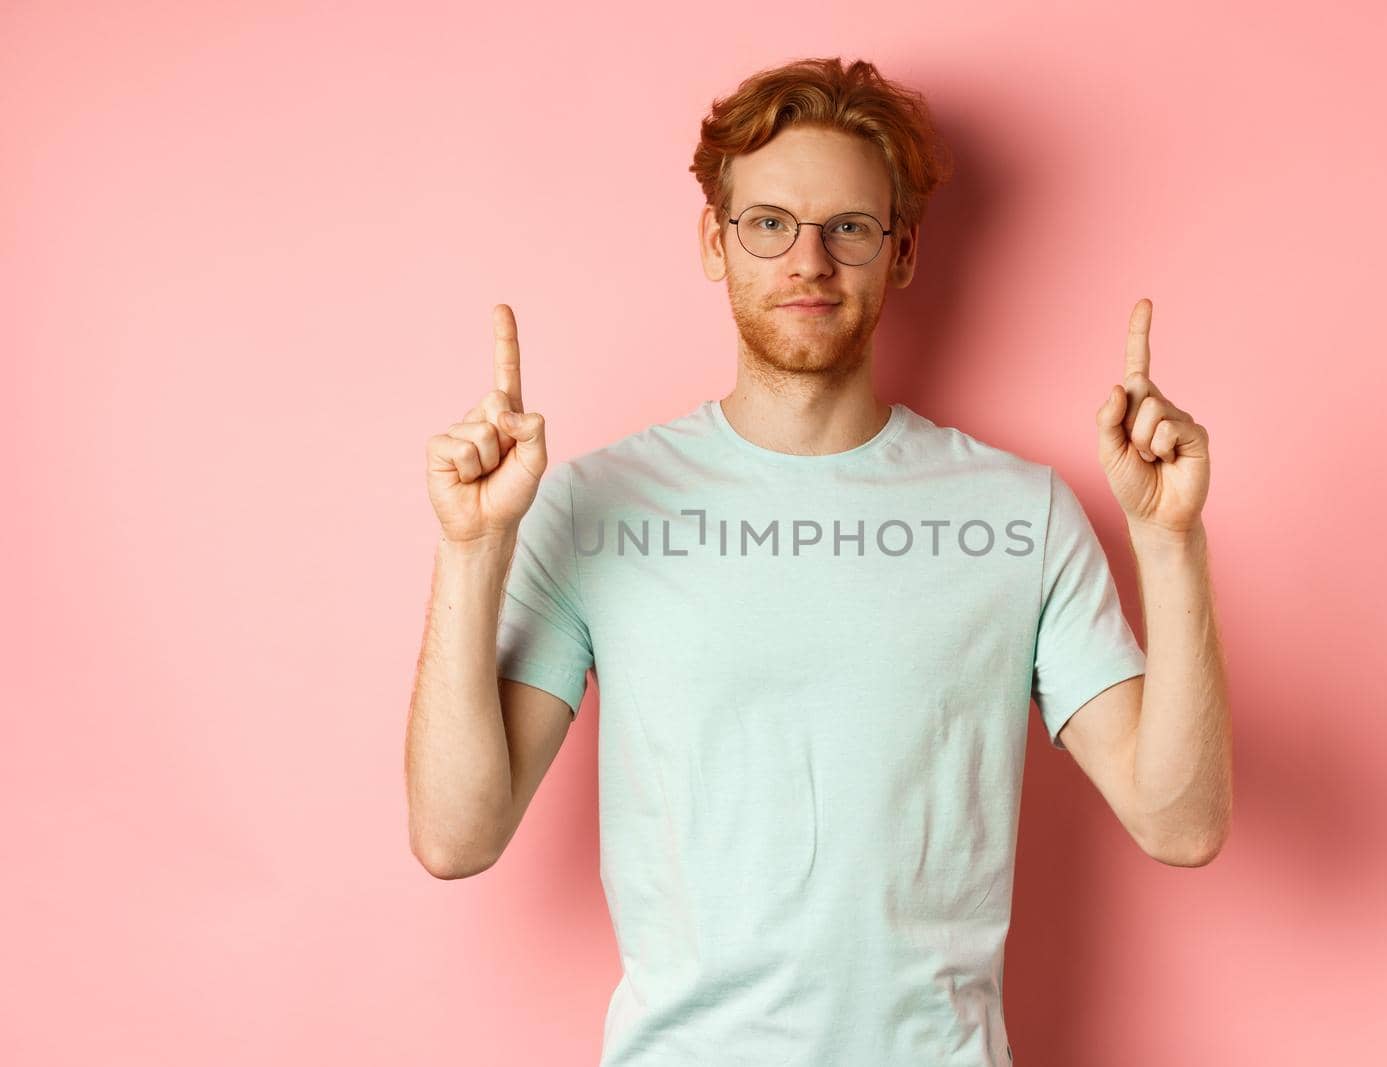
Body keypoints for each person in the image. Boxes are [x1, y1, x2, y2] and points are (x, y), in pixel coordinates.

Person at [405, 56, 1232, 1067]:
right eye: (768, 223)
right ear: (716, 240)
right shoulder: (594, 505)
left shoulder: (1019, 514)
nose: (808, 261)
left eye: (848, 227)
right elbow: (457, 834)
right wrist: (474, 544)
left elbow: (1178, 821)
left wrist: (1169, 541)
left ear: (902, 252)